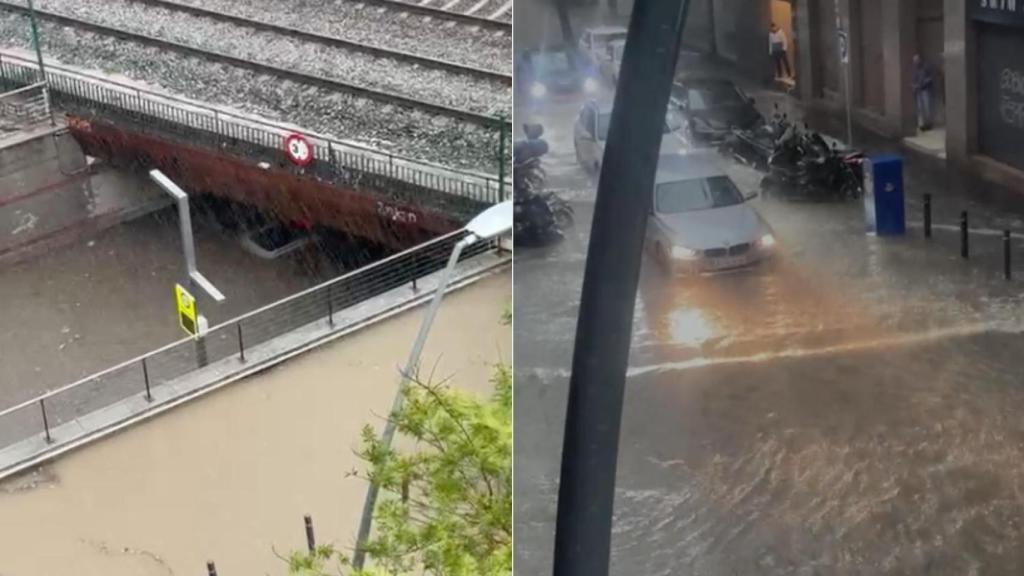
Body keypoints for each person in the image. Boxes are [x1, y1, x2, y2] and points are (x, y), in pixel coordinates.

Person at [912, 54, 935, 131]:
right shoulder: (915, 68)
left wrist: (922, 83)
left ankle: (929, 124)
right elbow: (914, 78)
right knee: (921, 108)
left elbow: (931, 77)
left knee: (927, 107)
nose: (915, 62)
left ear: (920, 59)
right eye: (914, 60)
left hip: (926, 89)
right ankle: (923, 124)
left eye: (917, 60)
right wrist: (914, 85)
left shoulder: (926, 67)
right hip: (919, 90)